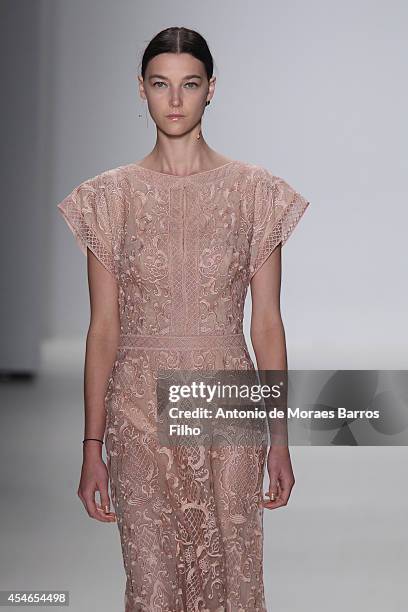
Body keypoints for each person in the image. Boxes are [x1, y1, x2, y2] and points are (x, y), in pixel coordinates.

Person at [57, 26, 310, 612]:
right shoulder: (107, 199)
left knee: (231, 580)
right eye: (161, 85)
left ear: (211, 90)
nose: (174, 100)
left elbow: (266, 324)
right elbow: (102, 330)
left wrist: (279, 437)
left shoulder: (256, 194)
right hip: (137, 407)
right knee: (151, 586)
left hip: (225, 403)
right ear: (141, 91)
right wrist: (92, 445)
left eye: (189, 85)